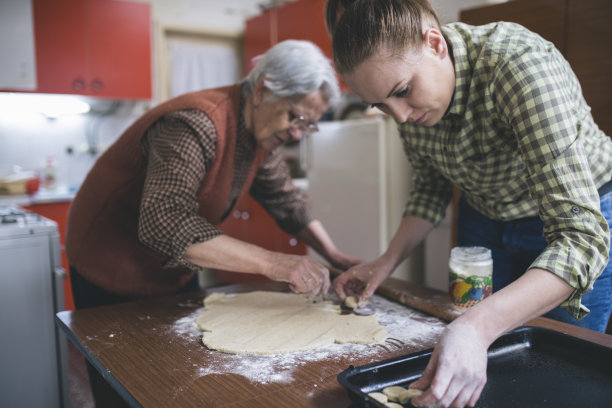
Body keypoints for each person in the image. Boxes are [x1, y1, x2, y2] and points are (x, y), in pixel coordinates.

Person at [325, 0, 612, 407]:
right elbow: (430, 190)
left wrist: (477, 328)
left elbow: (580, 238)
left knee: (555, 368)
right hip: (485, 215)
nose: (401, 117)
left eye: (402, 92)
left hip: (578, 216)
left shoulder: (517, 66)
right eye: (382, 106)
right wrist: (384, 263)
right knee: (480, 365)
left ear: (435, 44)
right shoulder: (408, 106)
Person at [65, 39, 362, 407]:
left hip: (173, 265)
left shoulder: (260, 133)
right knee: (123, 378)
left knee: (174, 374)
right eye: (295, 117)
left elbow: (287, 201)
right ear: (265, 90)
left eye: (309, 125)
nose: (299, 133)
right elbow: (163, 220)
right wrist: (276, 263)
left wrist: (334, 254)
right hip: (109, 260)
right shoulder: (195, 123)